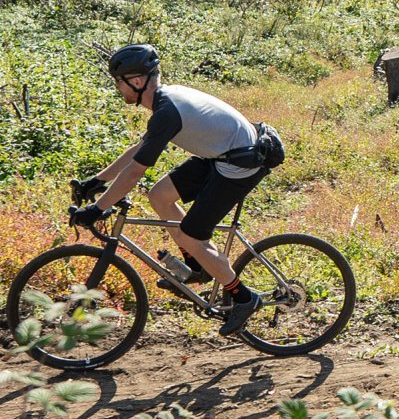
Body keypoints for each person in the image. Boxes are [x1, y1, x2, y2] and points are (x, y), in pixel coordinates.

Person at [68, 44, 281, 336]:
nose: (117, 88)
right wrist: (97, 181)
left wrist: (98, 208)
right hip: (222, 154)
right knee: (159, 195)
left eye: (118, 82)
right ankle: (199, 266)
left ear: (137, 81)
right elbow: (140, 149)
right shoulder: (165, 102)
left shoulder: (167, 110)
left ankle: (244, 297)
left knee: (193, 235)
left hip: (241, 164)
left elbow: (135, 171)